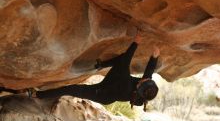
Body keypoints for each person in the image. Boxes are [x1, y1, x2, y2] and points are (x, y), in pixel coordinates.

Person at [30, 33, 160, 111]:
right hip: (113, 83)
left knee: (70, 89)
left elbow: (126, 60)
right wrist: (155, 56)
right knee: (120, 60)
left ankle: (38, 95)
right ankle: (101, 65)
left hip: (102, 93)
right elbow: (148, 73)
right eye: (147, 79)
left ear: (139, 87)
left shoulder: (126, 86)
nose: (145, 78)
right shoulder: (143, 88)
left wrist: (136, 42)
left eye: (143, 81)